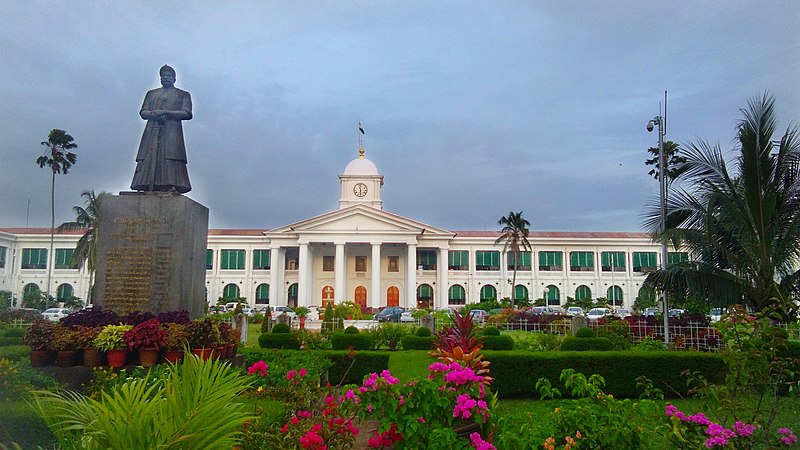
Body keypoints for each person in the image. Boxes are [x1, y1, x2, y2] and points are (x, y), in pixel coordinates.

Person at [130, 65, 192, 193]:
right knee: (148, 154)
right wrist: (153, 114)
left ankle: (172, 183)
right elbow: (143, 112)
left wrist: (165, 112)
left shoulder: (183, 94)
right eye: (163, 76)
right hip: (152, 129)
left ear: (174, 79)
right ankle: (144, 183)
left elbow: (187, 113)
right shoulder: (151, 94)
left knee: (171, 155)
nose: (165, 78)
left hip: (172, 130)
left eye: (168, 76)